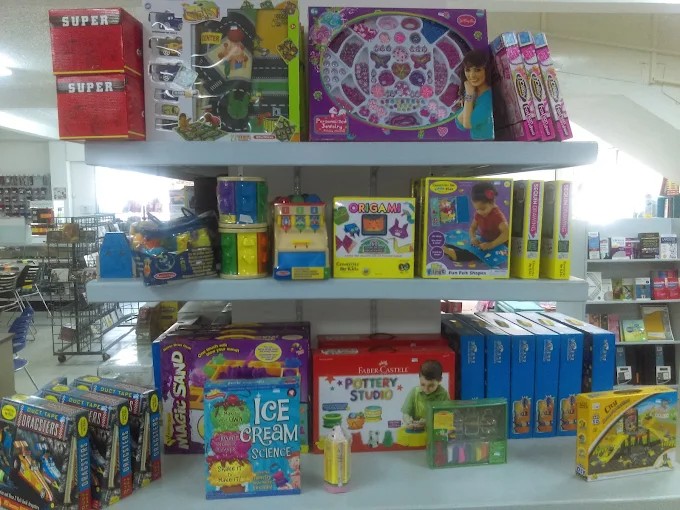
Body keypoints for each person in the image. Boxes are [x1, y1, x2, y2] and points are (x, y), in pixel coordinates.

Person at [444, 182, 509, 262]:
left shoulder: (497, 215)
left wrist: (491, 244)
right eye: (477, 209)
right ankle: (447, 248)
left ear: (492, 202)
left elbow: (506, 234)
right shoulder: (479, 213)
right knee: (468, 244)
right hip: (484, 240)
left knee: (478, 254)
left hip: (498, 244)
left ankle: (456, 254)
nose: (479, 212)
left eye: (483, 209)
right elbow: (472, 228)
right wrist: (473, 238)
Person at [455, 49, 494, 140]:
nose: (472, 75)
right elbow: (459, 124)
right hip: (476, 144)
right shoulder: (473, 91)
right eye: (468, 70)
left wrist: (469, 95)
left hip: (488, 145)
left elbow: (467, 124)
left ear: (486, 71)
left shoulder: (488, 99)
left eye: (477, 70)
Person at [401, 360, 449, 429]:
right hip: (416, 430)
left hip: (434, 431)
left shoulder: (443, 394)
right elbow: (406, 413)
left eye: (431, 385)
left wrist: (429, 421)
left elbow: (446, 417)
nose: (426, 389)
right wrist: (408, 420)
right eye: (422, 384)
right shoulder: (414, 392)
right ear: (419, 378)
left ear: (440, 380)